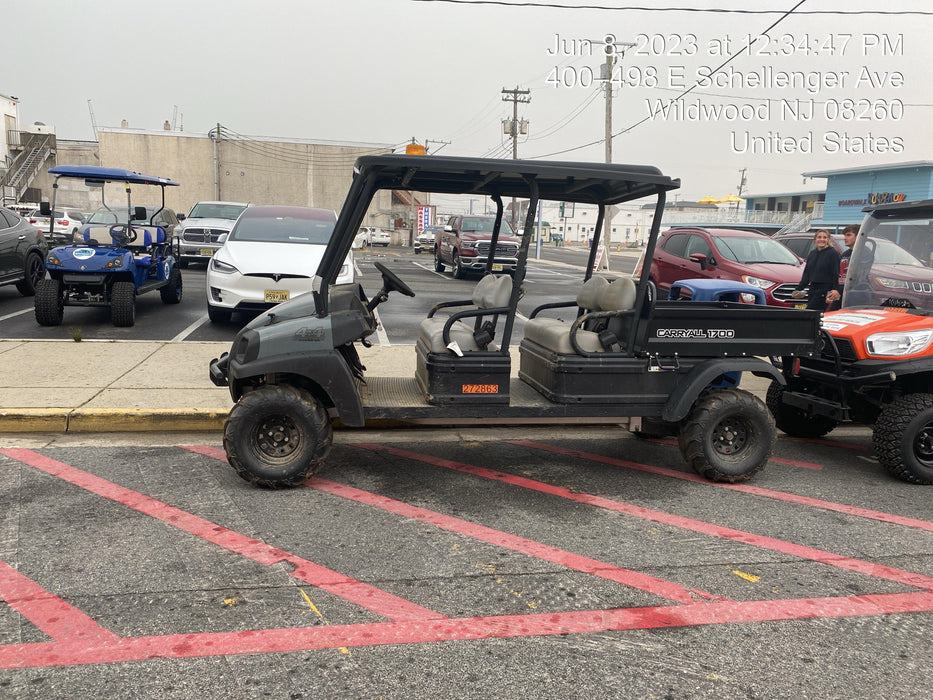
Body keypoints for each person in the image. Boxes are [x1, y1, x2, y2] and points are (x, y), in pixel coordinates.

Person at [793, 229, 841, 311]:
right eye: (819, 237)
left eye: (825, 237)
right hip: (813, 287)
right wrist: (799, 288)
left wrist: (834, 289)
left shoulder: (833, 254)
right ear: (815, 240)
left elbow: (835, 273)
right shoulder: (812, 253)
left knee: (811, 311)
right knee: (814, 313)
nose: (822, 239)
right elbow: (807, 273)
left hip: (825, 288)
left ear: (828, 240)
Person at [825, 224, 858, 308]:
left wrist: (839, 292)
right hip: (839, 293)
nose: (845, 238)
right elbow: (839, 276)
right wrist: (831, 293)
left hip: (853, 295)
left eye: (849, 235)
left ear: (858, 236)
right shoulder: (845, 254)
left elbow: (858, 277)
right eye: (844, 235)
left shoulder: (864, 254)